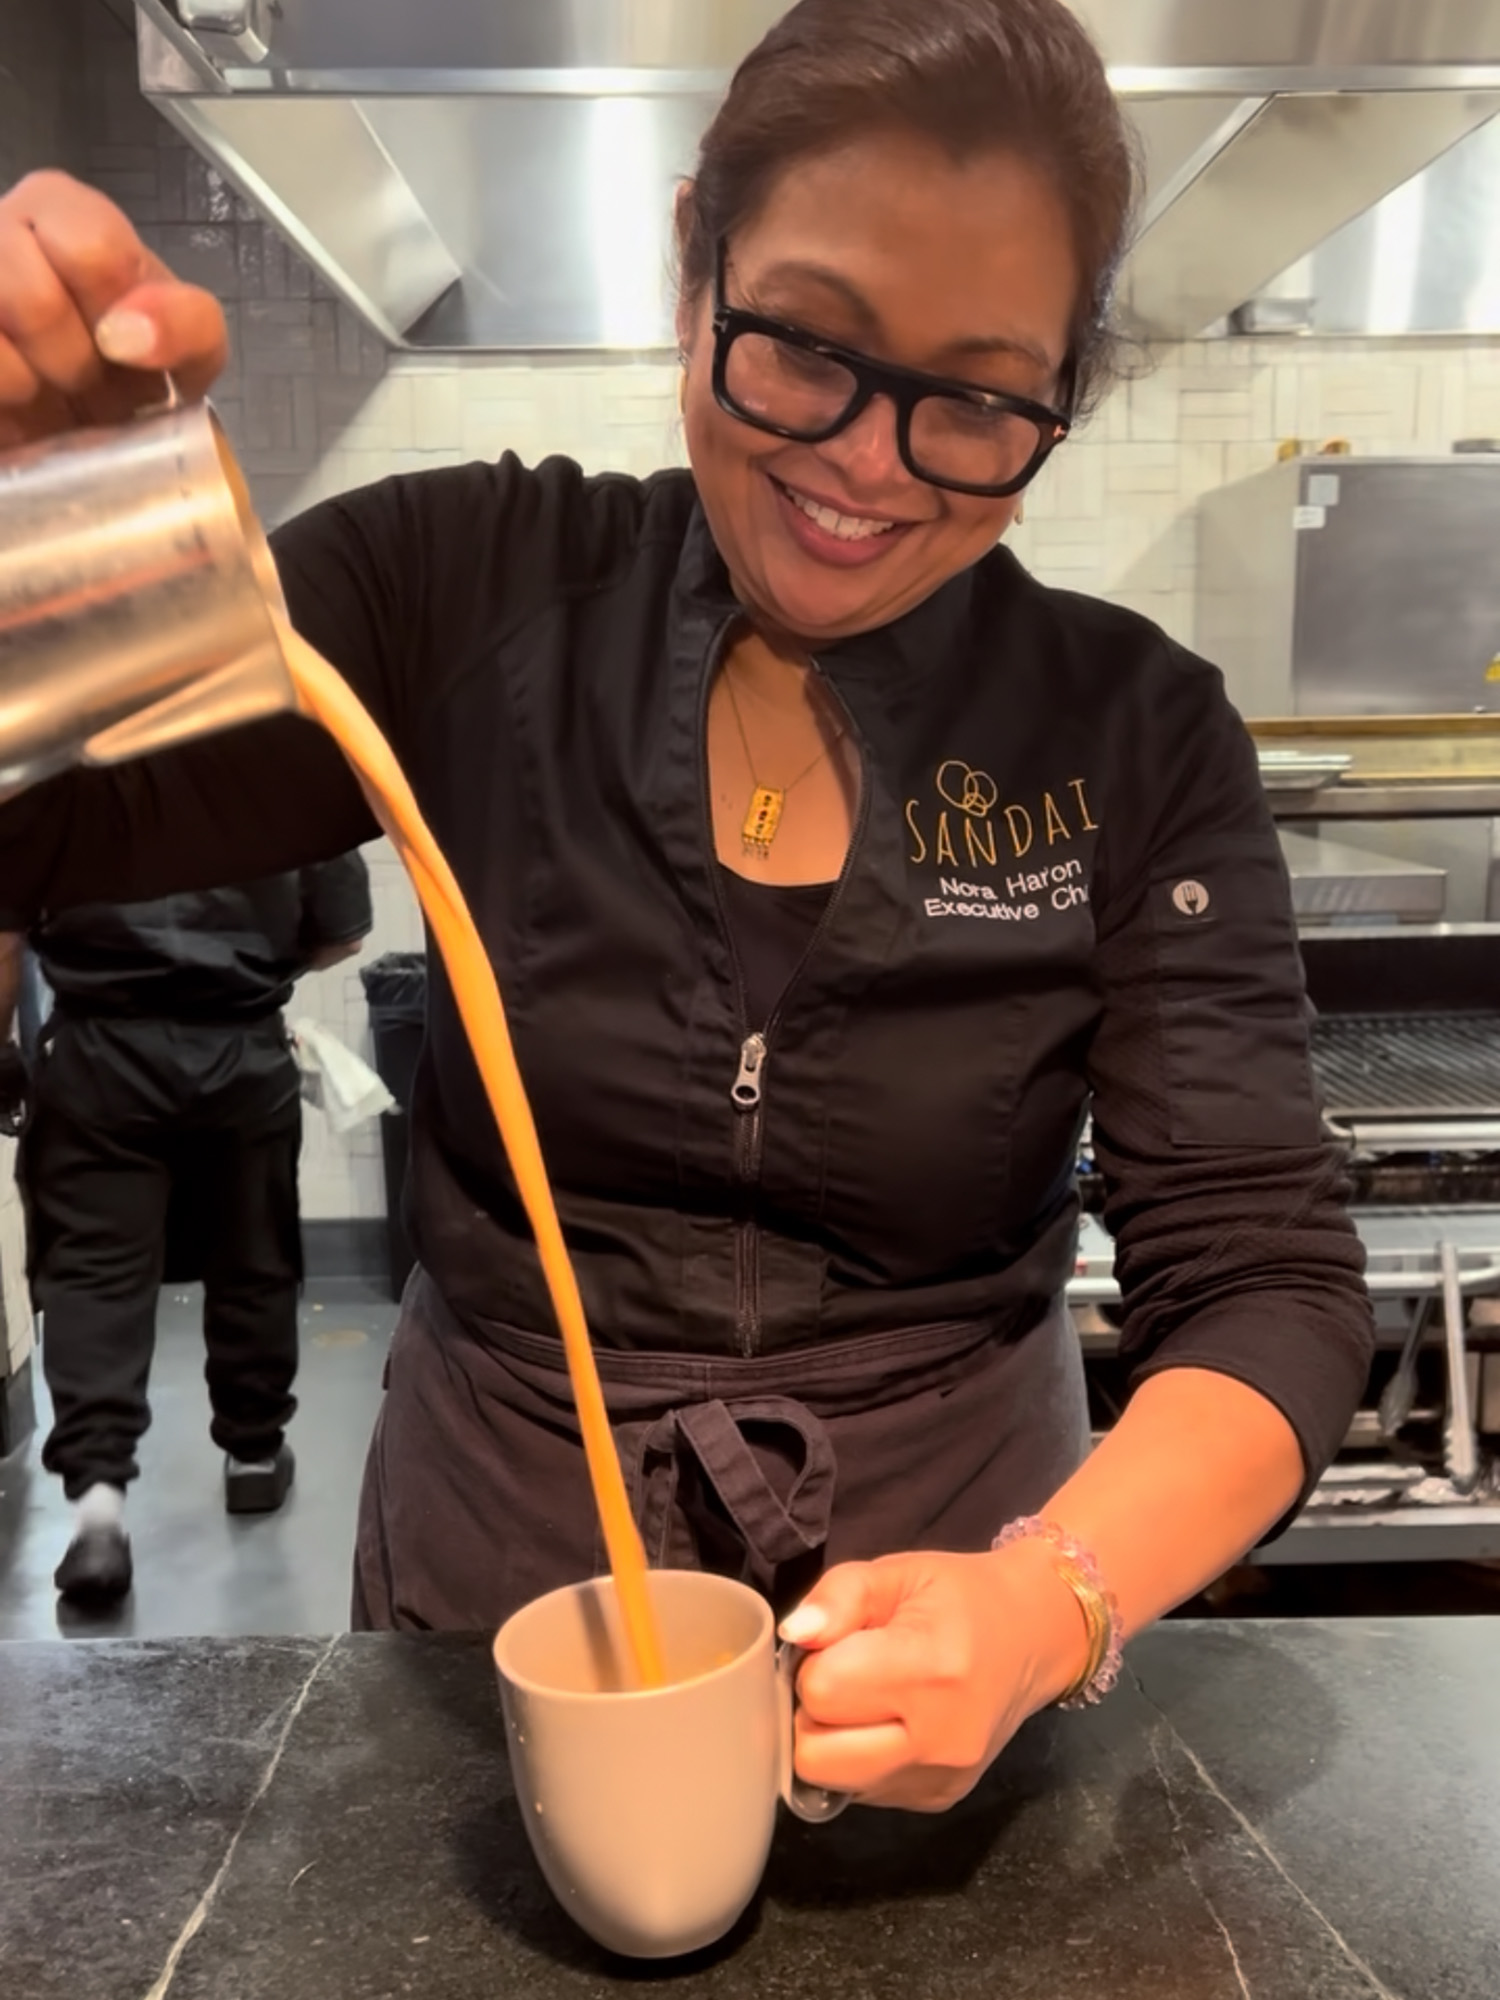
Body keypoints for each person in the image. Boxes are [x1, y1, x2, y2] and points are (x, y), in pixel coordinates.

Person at [0, 0, 1372, 1808]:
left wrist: (1048, 1606)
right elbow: (53, 819)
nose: (871, 464)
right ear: (692, 275)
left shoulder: (1128, 729)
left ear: (1060, 394)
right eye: (806, 344)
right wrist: (46, 537)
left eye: (974, 396)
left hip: (960, 1628)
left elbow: (1268, 1281)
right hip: (498, 1593)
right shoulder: (456, 589)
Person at [0, 862, 372, 1606]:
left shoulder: (61, 762)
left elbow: (6, 935)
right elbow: (343, 934)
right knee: (253, 1255)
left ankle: (99, 1511)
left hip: (98, 1054)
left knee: (93, 1275)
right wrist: (247, 972)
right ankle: (255, 1453)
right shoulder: (276, 757)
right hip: (241, 1047)